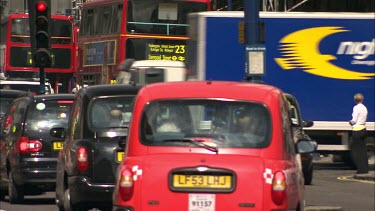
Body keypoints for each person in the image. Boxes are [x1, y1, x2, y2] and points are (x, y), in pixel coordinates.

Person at [349, 93, 368, 174]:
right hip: (363, 129)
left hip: (357, 130)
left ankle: (360, 170)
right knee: (363, 151)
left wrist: (350, 122)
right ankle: (365, 169)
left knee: (357, 151)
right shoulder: (364, 108)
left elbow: (354, 120)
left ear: (355, 100)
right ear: (362, 99)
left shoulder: (356, 108)